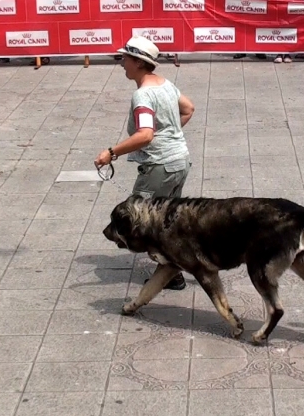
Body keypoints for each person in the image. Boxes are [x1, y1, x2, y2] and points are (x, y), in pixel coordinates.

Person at [94, 35, 195, 291]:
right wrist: (170, 134)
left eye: (124, 58)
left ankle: (174, 272)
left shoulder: (143, 96)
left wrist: (111, 152)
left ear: (138, 62)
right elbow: (188, 109)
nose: (121, 64)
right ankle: (173, 271)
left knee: (144, 221)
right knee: (167, 219)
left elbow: (145, 135)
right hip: (179, 161)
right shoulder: (166, 85)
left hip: (160, 166)